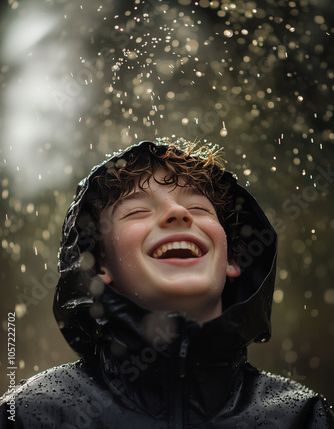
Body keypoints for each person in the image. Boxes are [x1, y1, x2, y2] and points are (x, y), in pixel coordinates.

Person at [1, 139, 333, 428]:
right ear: (98, 264)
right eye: (137, 212)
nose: (177, 213)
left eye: (198, 207)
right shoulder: (33, 414)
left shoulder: (300, 416)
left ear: (233, 260)